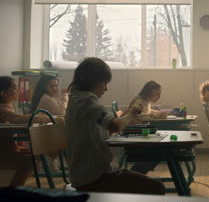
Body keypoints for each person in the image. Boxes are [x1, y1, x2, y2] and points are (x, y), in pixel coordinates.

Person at [65, 58, 165, 194]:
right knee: (156, 188)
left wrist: (125, 118)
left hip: (85, 175)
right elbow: (115, 126)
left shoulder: (75, 99)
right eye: (104, 83)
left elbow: (105, 131)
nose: (106, 89)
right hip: (94, 178)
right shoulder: (87, 100)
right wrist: (131, 114)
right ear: (93, 81)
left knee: (144, 182)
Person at [0, 76, 56, 187]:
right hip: (3, 152)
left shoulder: (8, 107)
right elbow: (19, 119)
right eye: (15, 88)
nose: (19, 90)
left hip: (7, 148)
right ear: (3, 93)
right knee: (31, 160)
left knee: (35, 156)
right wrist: (45, 118)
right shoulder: (2, 109)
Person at [123, 80, 169, 175]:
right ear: (149, 91)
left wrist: (158, 113)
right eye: (157, 94)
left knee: (162, 148)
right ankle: (134, 174)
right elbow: (137, 116)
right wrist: (157, 116)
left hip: (138, 135)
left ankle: (136, 173)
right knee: (161, 150)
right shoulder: (139, 101)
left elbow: (148, 112)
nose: (159, 97)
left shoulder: (145, 101)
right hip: (133, 138)